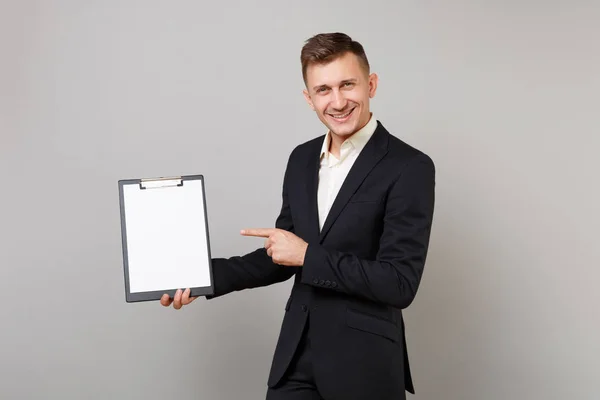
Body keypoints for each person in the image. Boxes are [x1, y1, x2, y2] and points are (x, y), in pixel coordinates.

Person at [161, 32, 436, 400]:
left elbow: (399, 282)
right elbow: (282, 256)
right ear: (309, 98)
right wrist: (202, 278)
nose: (337, 101)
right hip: (296, 361)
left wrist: (308, 255)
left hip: (363, 367)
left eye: (347, 85)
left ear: (371, 84)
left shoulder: (409, 167)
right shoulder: (302, 159)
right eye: (323, 90)